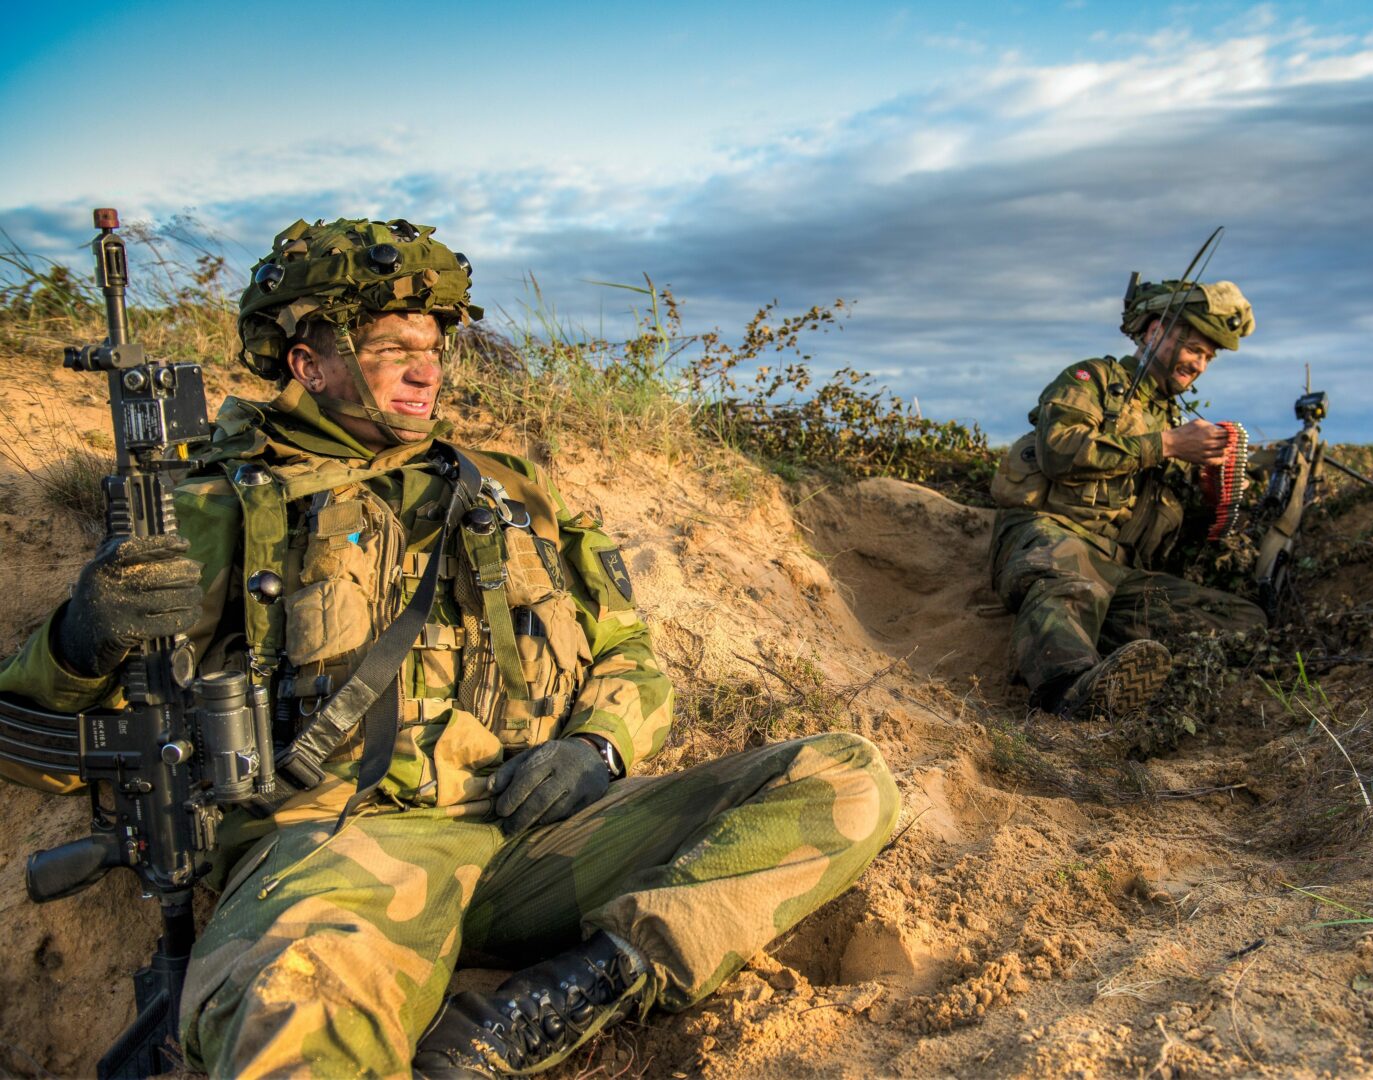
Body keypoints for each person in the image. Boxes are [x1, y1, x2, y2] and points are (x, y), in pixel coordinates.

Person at [0, 217, 899, 1078]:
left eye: (432, 347)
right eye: (391, 348)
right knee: (295, 1008)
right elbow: (47, 747)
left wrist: (597, 747)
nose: (425, 370)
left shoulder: (512, 491)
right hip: (342, 857)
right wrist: (83, 638)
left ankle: (564, 997)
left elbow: (625, 647)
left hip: (534, 835)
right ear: (308, 362)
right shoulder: (217, 505)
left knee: (844, 778)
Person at [987, 277, 1267, 721]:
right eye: (1194, 349)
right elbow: (1058, 450)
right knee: (1068, 583)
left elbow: (1176, 534)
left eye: (1208, 357)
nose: (1199, 365)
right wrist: (1167, 445)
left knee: (1240, 620)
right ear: (1155, 331)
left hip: (1119, 572)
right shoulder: (1095, 380)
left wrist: (1211, 490)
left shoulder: (1173, 420)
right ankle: (1069, 693)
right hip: (1054, 535)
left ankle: (1122, 673)